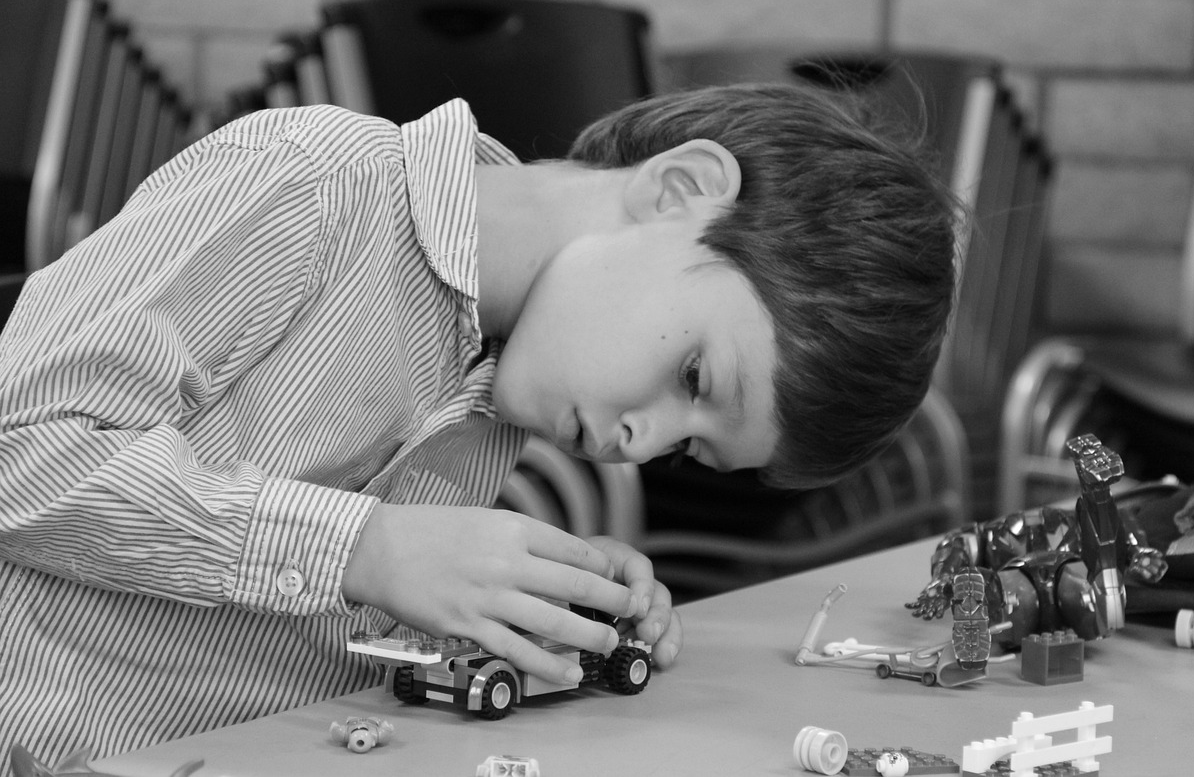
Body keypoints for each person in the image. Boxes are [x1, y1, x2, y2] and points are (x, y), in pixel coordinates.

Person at [0, 82, 957, 769]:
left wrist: (521, 607)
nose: (641, 444)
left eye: (689, 446)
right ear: (678, 191)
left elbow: (283, 621)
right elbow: (21, 444)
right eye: (695, 376)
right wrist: (367, 548)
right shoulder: (315, 182)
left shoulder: (506, 379)